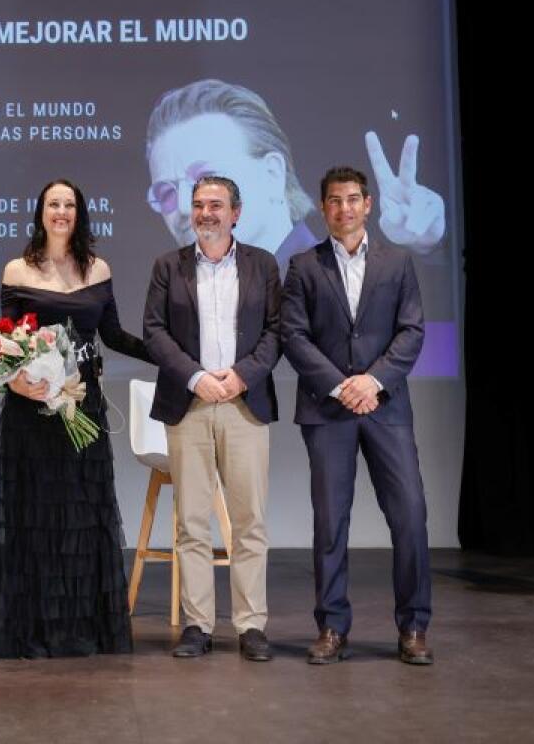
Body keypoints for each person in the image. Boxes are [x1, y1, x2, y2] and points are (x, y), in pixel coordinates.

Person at [0, 178, 153, 658]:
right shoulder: (17, 269)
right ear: (40, 213)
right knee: (35, 517)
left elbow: (114, 335)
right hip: (32, 411)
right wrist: (16, 380)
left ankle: (80, 630)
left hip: (85, 405)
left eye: (70, 205)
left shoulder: (97, 267)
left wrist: (168, 353)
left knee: (82, 516)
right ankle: (34, 631)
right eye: (53, 204)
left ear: (79, 214)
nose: (61, 212)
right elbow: (6, 345)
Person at [280, 166, 433, 666]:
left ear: (368, 204)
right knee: (331, 522)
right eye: (334, 201)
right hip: (328, 410)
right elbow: (294, 336)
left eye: (352, 200)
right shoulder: (303, 265)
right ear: (322, 207)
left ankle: (413, 626)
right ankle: (331, 626)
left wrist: (373, 381)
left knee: (409, 514)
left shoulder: (398, 262)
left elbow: (411, 331)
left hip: (386, 407)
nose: (343, 209)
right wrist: (342, 385)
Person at [143, 175, 282, 662]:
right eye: (199, 205)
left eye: (216, 205)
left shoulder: (262, 265)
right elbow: (155, 332)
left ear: (236, 213)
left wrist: (241, 376)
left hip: (245, 404)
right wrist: (197, 377)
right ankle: (198, 625)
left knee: (249, 522)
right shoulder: (169, 266)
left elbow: (275, 331)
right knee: (192, 523)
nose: (206, 213)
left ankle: (250, 625)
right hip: (191, 405)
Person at [145, 78, 445, 275]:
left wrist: (427, 248)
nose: (186, 206)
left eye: (207, 178)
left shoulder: (341, 270)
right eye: (167, 193)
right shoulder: (180, 289)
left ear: (273, 174)